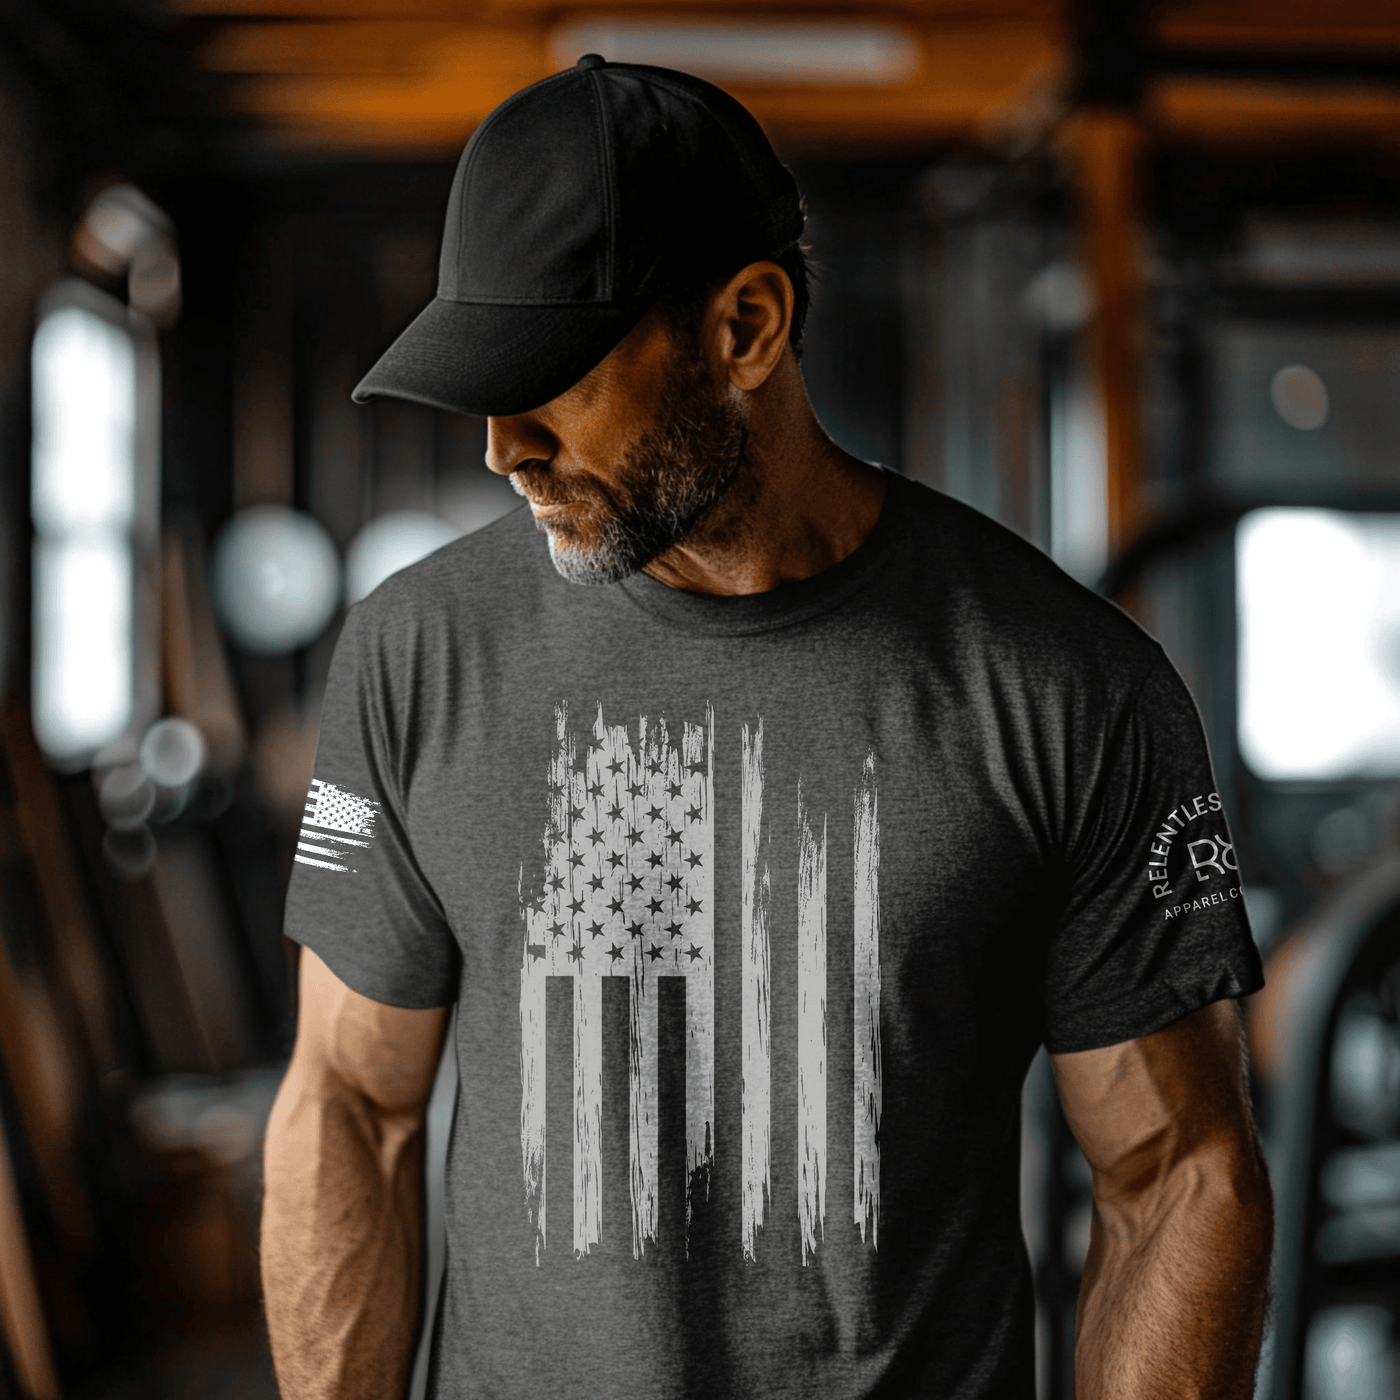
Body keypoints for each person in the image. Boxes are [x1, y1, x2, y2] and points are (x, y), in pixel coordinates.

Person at [261, 55, 1272, 1400]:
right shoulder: (417, 656)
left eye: (549, 377)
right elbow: (350, 1105)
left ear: (745, 327)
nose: (503, 447)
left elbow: (1178, 1175)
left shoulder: (1066, 685)